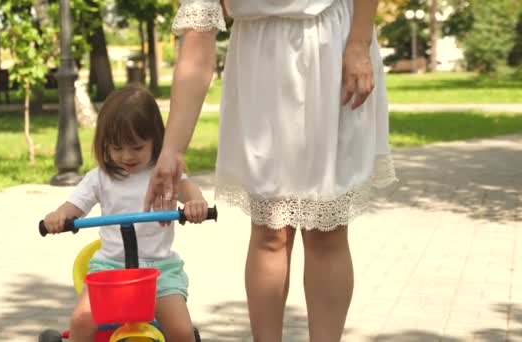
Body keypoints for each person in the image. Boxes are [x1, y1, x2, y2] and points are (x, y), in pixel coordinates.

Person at [145, 0, 397, 341]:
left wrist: (358, 42)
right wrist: (172, 149)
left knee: (327, 231)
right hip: (259, 63)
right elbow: (197, 45)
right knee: (269, 230)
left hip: (332, 49)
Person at [43, 86, 208, 342]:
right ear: (104, 145)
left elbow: (188, 189)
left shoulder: (163, 174)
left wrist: (196, 203)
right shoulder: (99, 178)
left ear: (156, 140)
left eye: (137, 147)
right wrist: (58, 215)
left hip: (159, 269)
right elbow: (74, 206)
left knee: (181, 331)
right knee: (81, 320)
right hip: (110, 267)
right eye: (117, 148)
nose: (126, 156)